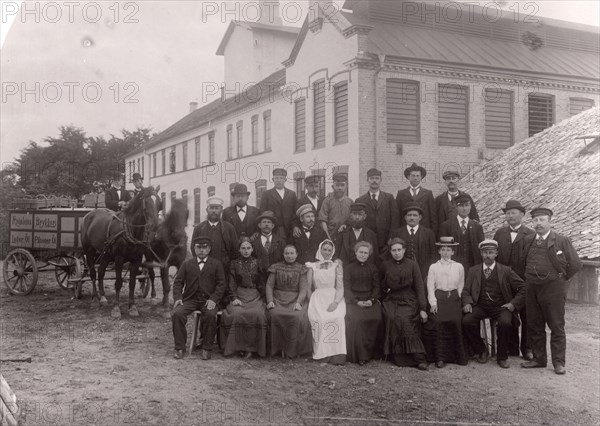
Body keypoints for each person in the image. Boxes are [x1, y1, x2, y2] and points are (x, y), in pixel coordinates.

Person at [520, 207, 581, 375]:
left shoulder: (561, 240)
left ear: (549, 221)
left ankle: (559, 363)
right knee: (534, 324)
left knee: (556, 325)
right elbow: (523, 261)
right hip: (532, 287)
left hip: (553, 288)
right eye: (535, 220)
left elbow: (576, 263)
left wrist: (561, 278)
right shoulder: (528, 240)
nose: (538, 224)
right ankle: (539, 359)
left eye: (542, 220)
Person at [462, 240, 526, 368]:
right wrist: (467, 302)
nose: (488, 255)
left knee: (505, 323)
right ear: (481, 253)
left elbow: (524, 288)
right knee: (466, 321)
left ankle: (502, 356)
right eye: (485, 252)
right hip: (480, 306)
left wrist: (513, 303)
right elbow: (466, 290)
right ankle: (481, 350)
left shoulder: (506, 271)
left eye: (491, 252)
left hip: (500, 307)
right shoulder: (474, 270)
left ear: (496, 253)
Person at [493, 199, 536, 360]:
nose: (510, 216)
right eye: (507, 213)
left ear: (522, 215)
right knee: (507, 313)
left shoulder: (531, 234)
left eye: (513, 213)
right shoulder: (500, 233)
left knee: (527, 316)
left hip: (524, 282)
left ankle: (527, 349)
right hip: (505, 282)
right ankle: (511, 348)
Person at [171, 236, 226, 360]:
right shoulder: (187, 264)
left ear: (209, 249)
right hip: (190, 299)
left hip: (208, 300)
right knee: (177, 313)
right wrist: (178, 298)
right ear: (194, 249)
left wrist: (214, 299)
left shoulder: (216, 264)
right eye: (199, 247)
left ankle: (206, 348)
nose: (202, 250)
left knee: (211, 315)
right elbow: (178, 282)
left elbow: (221, 284)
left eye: (205, 247)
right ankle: (180, 347)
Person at [380, 237, 429, 370]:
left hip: (408, 298)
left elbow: (419, 287)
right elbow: (381, 285)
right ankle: (398, 357)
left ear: (404, 250)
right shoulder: (385, 265)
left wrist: (423, 308)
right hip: (391, 299)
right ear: (390, 252)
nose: (397, 253)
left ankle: (419, 358)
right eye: (394, 250)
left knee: (406, 319)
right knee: (392, 318)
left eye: (399, 250)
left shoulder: (412, 264)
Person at [422, 237, 468, 368]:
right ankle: (439, 357)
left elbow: (461, 285)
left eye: (449, 250)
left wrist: (458, 299)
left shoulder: (459, 266)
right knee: (438, 322)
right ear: (439, 251)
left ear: (453, 252)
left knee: (456, 321)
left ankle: (458, 357)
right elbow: (430, 287)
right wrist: (433, 303)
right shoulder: (434, 267)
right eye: (443, 250)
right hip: (439, 298)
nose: (446, 252)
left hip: (453, 298)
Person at [222, 237, 267, 359]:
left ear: (252, 249)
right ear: (239, 250)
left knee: (257, 314)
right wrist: (234, 297)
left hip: (255, 295)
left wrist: (265, 298)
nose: (246, 251)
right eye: (243, 248)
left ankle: (253, 348)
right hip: (239, 294)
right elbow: (231, 282)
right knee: (237, 313)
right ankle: (238, 347)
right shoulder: (234, 263)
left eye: (248, 248)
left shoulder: (258, 263)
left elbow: (262, 283)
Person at [266, 244, 313, 358]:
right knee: (274, 314)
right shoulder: (276, 267)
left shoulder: (301, 268)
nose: (289, 256)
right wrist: (270, 300)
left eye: (292, 253)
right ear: (283, 254)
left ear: (296, 255)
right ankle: (276, 349)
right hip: (278, 298)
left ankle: (292, 350)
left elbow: (303, 288)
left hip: (294, 299)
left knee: (296, 317)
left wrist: (299, 303)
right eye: (287, 253)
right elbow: (269, 285)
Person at [306, 240, 347, 364]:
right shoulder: (312, 266)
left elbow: (340, 287)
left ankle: (337, 356)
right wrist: (311, 302)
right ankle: (322, 355)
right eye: (324, 249)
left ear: (332, 252)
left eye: (329, 250)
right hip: (317, 297)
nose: (327, 252)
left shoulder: (336, 266)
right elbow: (308, 287)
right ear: (320, 249)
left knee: (337, 318)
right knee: (320, 320)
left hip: (333, 296)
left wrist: (335, 302)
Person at [344, 241, 383, 365]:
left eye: (365, 253)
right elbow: (346, 288)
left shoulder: (373, 268)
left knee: (376, 318)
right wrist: (356, 302)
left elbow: (377, 287)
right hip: (354, 300)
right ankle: (359, 355)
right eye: (360, 252)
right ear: (355, 253)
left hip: (369, 300)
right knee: (356, 320)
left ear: (369, 254)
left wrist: (371, 301)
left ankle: (372, 353)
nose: (363, 255)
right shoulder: (349, 268)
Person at [190, 196, 239, 276]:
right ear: (207, 209)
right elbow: (193, 248)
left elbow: (235, 249)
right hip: (204, 270)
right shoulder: (199, 228)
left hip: (224, 270)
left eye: (217, 208)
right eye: (211, 208)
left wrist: (228, 265)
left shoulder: (229, 228)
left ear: (221, 210)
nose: (214, 211)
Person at [389, 202, 437, 282]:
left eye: (415, 215)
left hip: (423, 272)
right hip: (402, 273)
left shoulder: (429, 233)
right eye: (409, 215)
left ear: (420, 217)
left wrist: (429, 272)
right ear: (405, 217)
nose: (412, 218)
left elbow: (433, 254)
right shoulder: (397, 233)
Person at [355, 168, 399, 251]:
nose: (374, 181)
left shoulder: (389, 198)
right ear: (367, 180)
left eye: (377, 178)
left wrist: (392, 237)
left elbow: (395, 220)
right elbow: (358, 221)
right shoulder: (360, 200)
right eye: (371, 178)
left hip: (386, 241)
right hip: (367, 241)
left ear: (380, 180)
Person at [439, 194, 484, 273]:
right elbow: (443, 249)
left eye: (467, 205)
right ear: (456, 207)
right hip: (452, 267)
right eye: (461, 206)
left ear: (470, 207)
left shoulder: (477, 227)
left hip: (472, 267)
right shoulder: (446, 226)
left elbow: (481, 249)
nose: (464, 208)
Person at [396, 163, 437, 235]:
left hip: (424, 230)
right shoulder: (401, 193)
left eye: (418, 176)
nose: (415, 178)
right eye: (413, 176)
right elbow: (397, 215)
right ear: (408, 177)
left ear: (421, 177)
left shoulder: (428, 193)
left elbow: (433, 216)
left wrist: (433, 233)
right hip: (405, 230)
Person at [435, 169, 479, 234]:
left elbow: (474, 217)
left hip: (464, 234)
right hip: (446, 236)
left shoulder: (467, 197)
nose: (451, 181)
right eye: (448, 179)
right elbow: (435, 221)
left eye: (454, 178)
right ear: (445, 182)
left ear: (458, 180)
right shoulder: (439, 200)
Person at [259, 168, 297, 241]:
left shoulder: (292, 194)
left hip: (289, 230)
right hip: (273, 229)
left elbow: (295, 213)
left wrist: (295, 226)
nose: (278, 180)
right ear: (273, 179)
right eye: (276, 178)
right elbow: (262, 212)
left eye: (281, 178)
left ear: (285, 179)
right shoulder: (266, 194)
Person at [318, 173, 353, 242]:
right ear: (333, 186)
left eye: (342, 185)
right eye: (337, 185)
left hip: (346, 237)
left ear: (346, 186)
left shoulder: (350, 202)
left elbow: (351, 220)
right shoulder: (327, 201)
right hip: (330, 236)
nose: (339, 188)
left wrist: (345, 225)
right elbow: (323, 221)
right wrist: (328, 238)